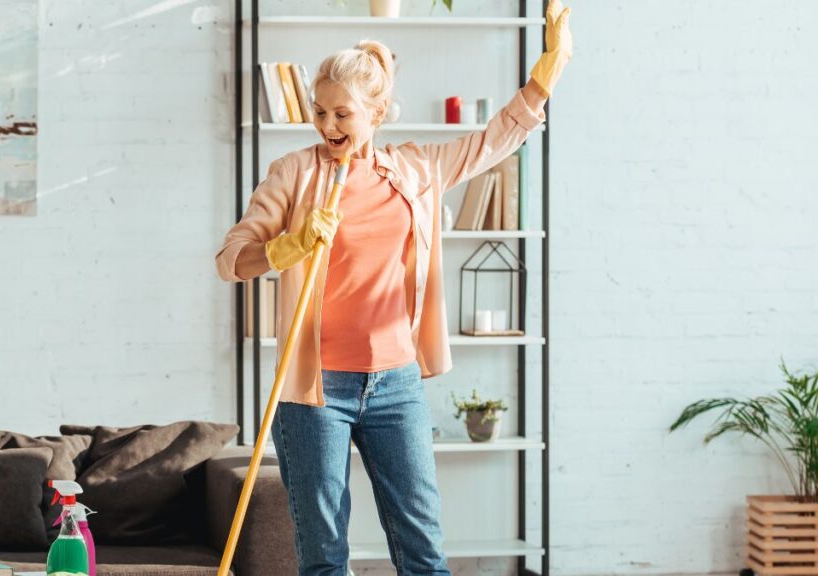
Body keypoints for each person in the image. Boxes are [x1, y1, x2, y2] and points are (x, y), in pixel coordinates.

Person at [215, 2, 572, 574]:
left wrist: (549, 70)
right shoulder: (293, 174)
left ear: (376, 112)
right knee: (325, 557)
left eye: (343, 114)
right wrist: (285, 248)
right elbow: (231, 259)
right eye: (320, 111)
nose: (328, 126)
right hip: (315, 392)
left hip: (396, 386)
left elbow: (494, 140)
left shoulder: (416, 170)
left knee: (423, 553)